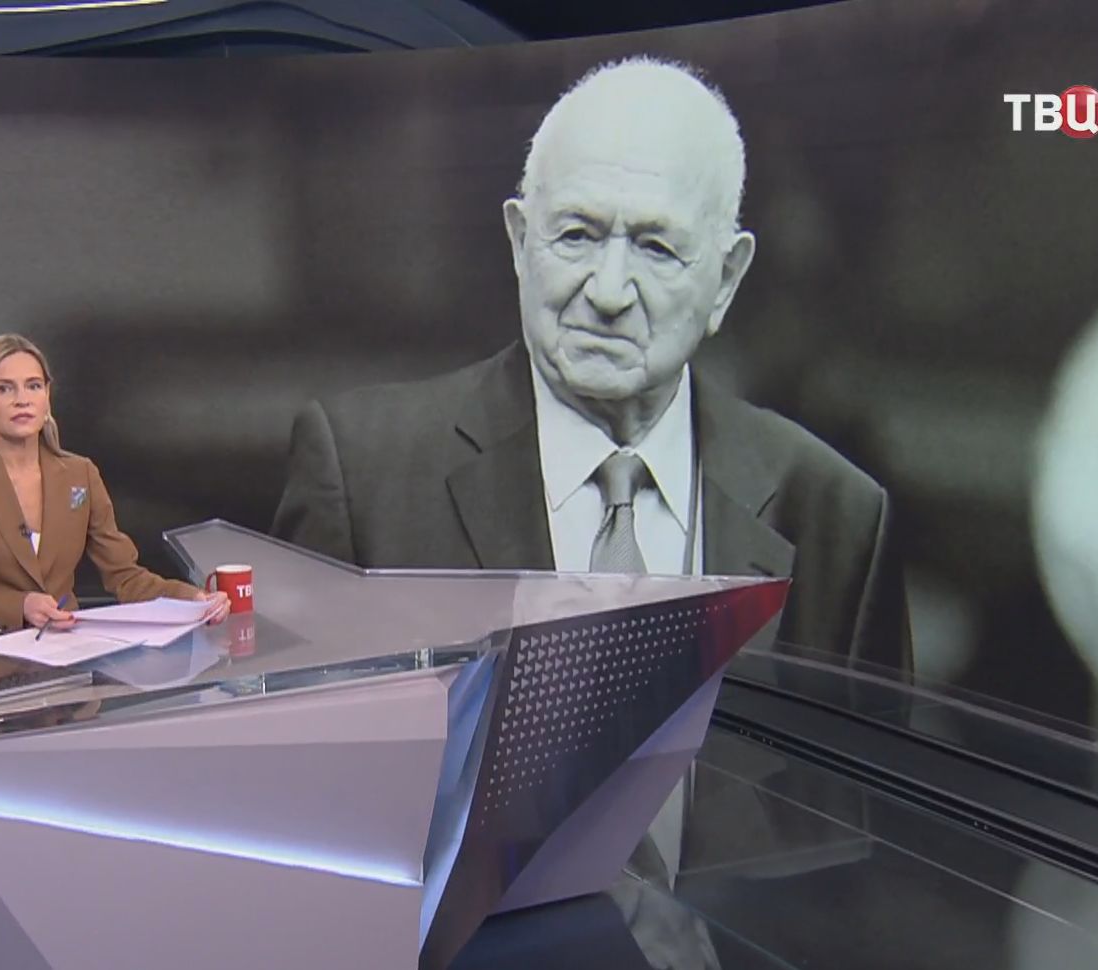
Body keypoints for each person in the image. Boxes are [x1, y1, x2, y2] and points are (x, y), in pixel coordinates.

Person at [272, 57, 909, 674]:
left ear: (726, 279)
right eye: (577, 235)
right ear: (520, 241)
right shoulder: (364, 479)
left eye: (656, 248)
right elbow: (299, 742)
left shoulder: (836, 516)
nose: (608, 292)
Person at [0, 334, 228, 648]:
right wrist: (18, 607)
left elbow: (126, 577)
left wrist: (193, 600)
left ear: (47, 395)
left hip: (65, 659)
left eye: (33, 386)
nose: (22, 399)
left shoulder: (80, 474)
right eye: (4, 388)